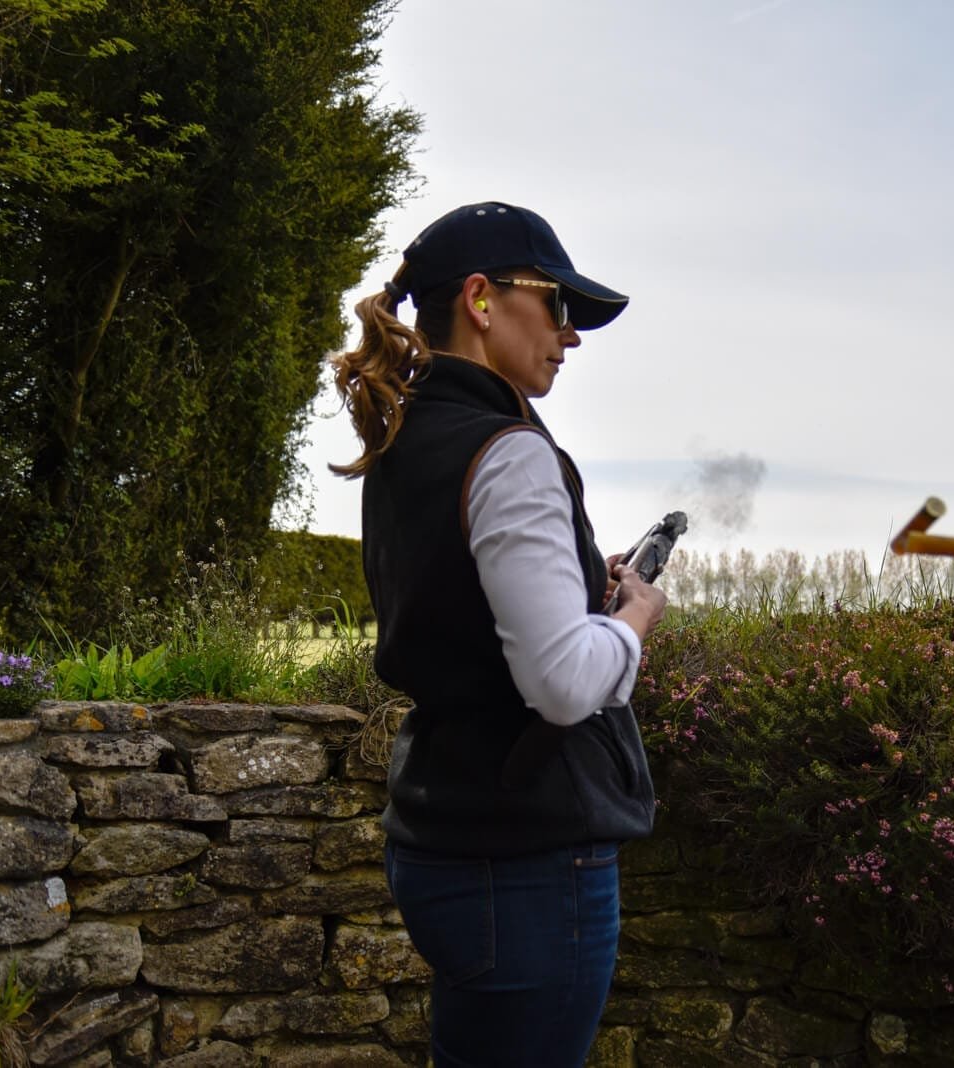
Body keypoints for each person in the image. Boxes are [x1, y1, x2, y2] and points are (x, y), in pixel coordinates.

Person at [330, 201, 667, 1066]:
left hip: (443, 835)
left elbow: (458, 611)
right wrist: (632, 619)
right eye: (557, 304)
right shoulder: (509, 450)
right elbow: (562, 685)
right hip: (526, 861)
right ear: (482, 299)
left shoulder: (405, 439)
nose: (571, 334)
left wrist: (575, 584)